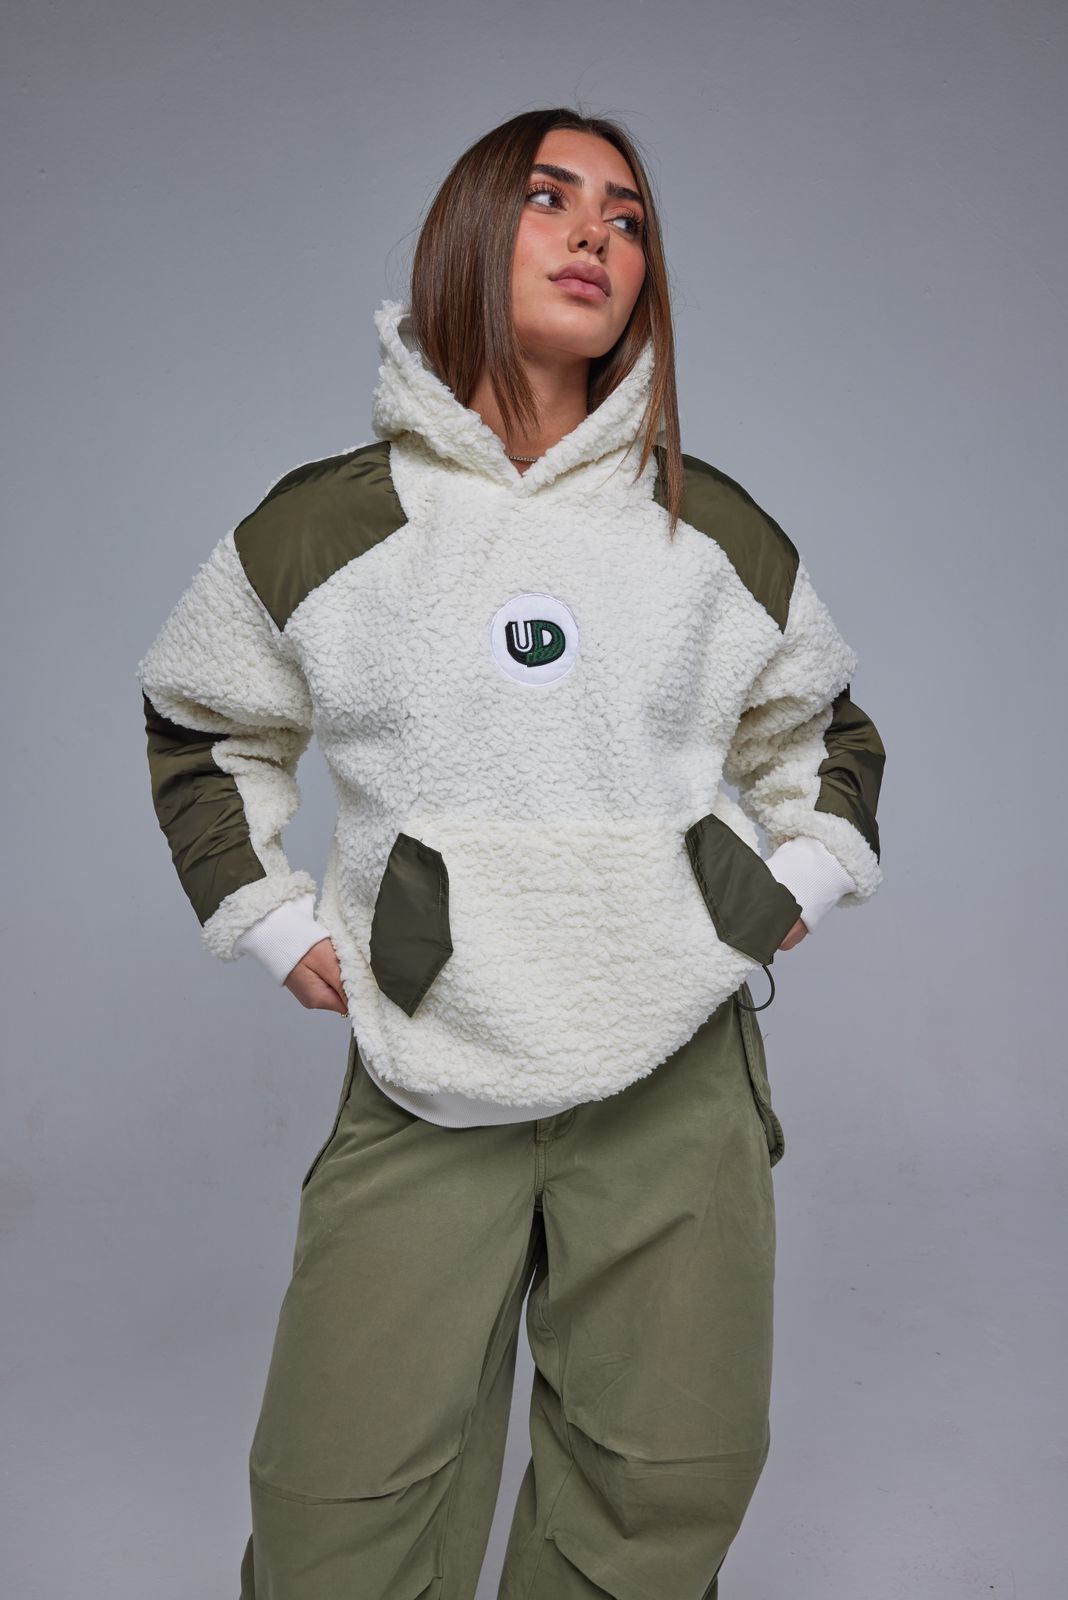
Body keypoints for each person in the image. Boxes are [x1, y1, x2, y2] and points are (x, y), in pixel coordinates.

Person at [136, 106, 885, 1600]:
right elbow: (202, 721)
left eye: (628, 217)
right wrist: (273, 920)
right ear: (471, 230)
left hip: (674, 1062)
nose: (596, 233)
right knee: (335, 1504)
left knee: (657, 1494)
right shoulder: (333, 523)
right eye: (551, 198)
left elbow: (825, 737)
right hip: (429, 1057)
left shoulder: (707, 528)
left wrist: (788, 882)